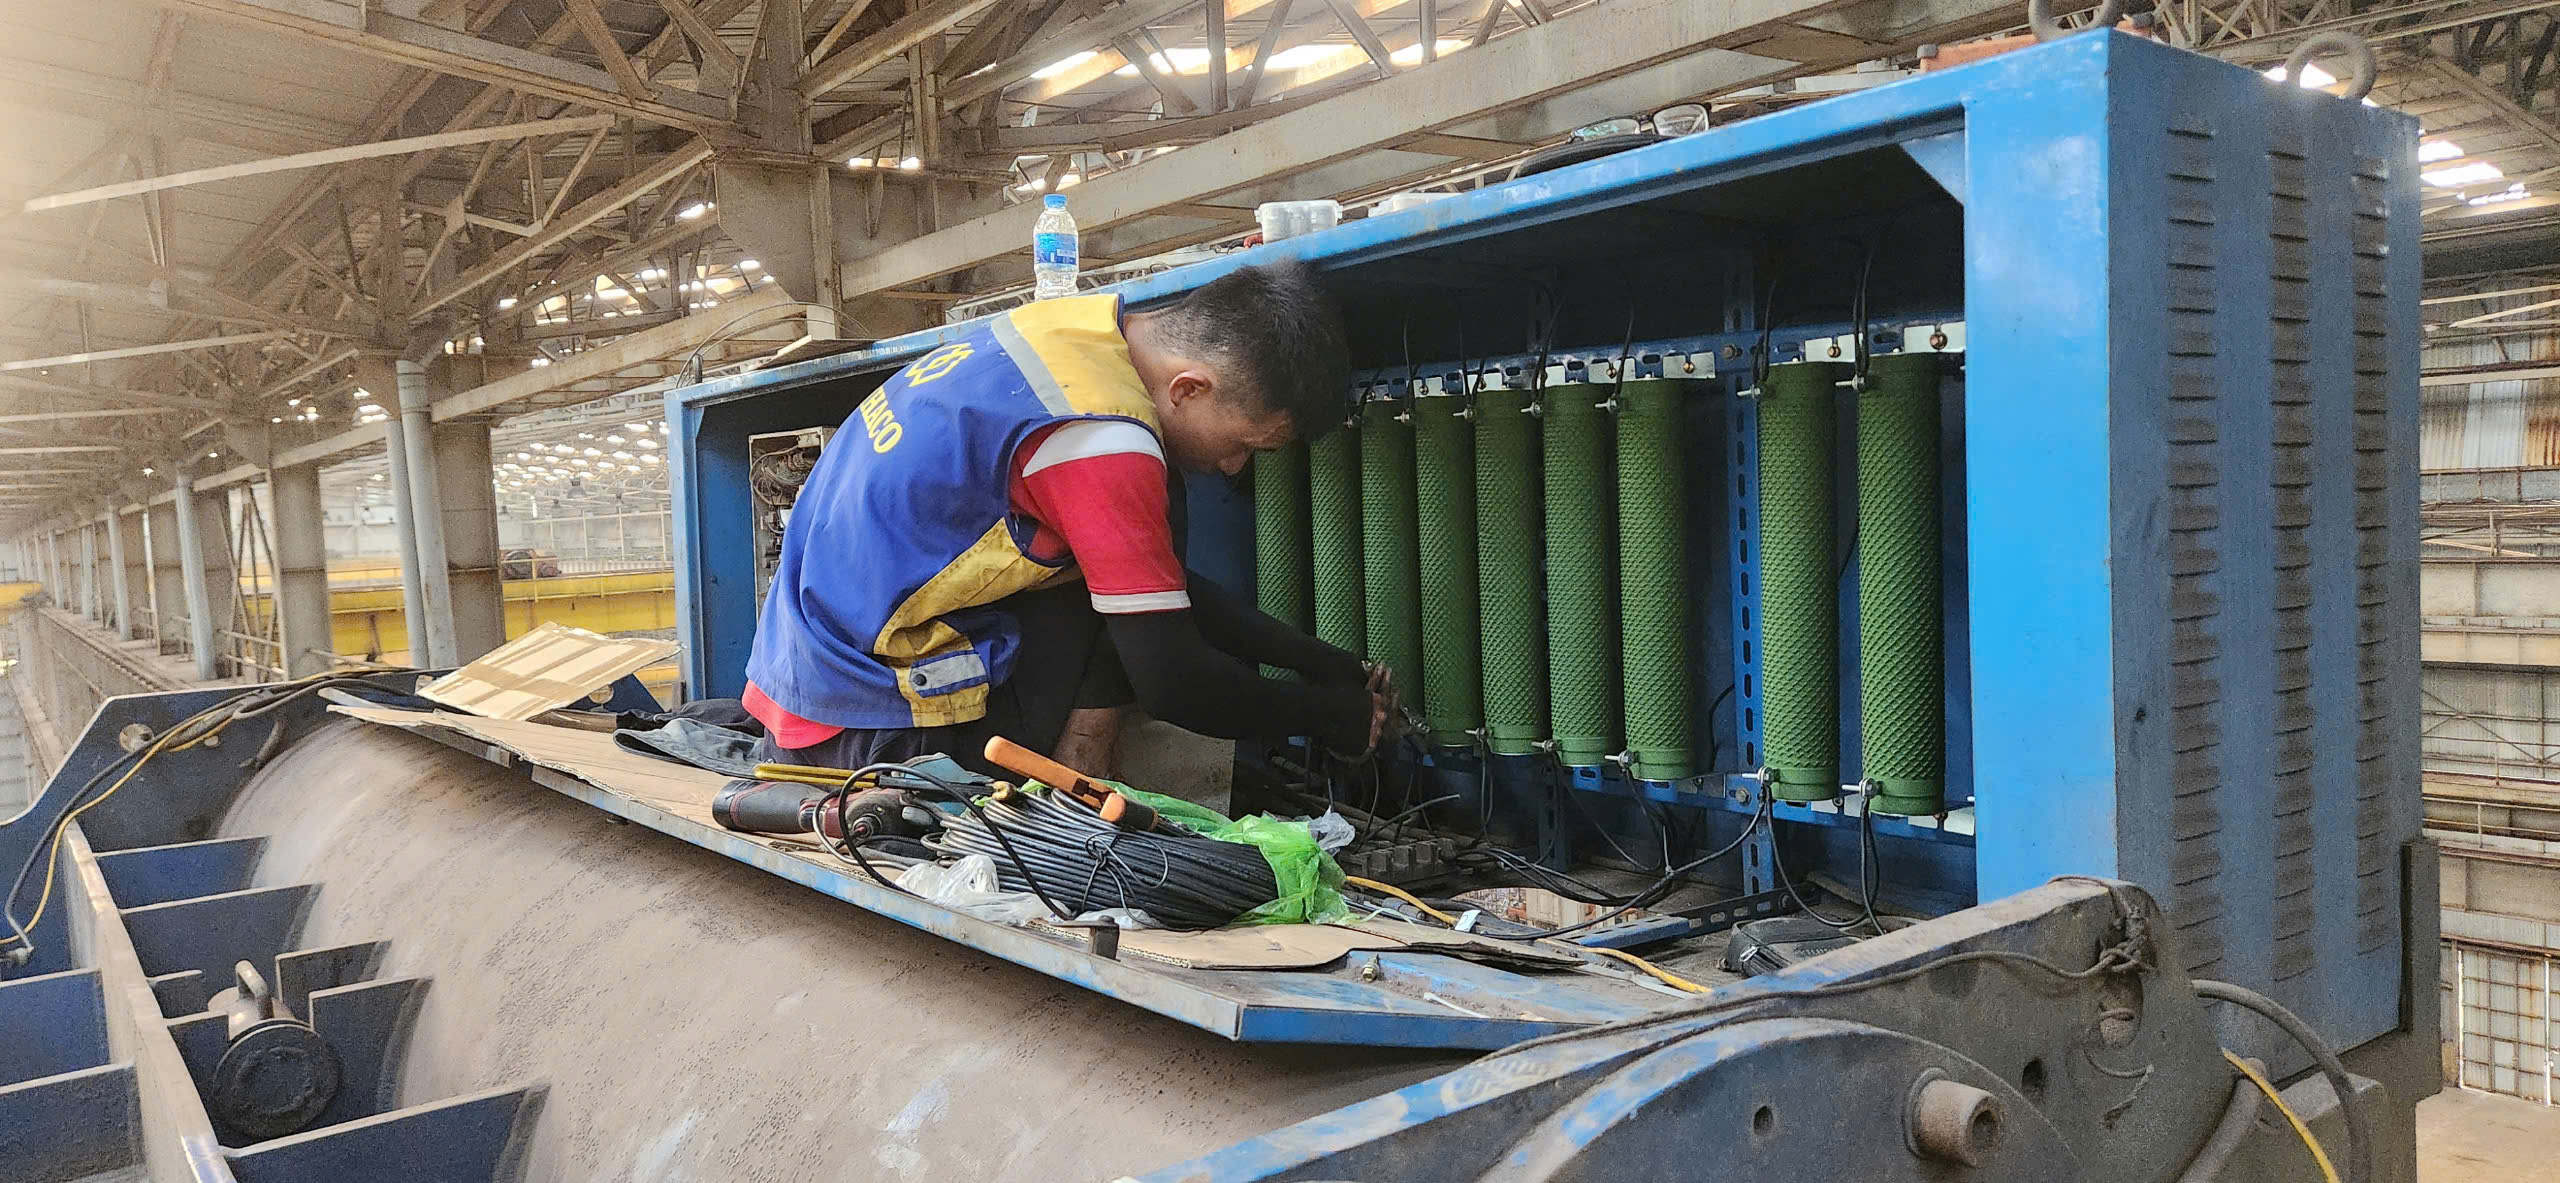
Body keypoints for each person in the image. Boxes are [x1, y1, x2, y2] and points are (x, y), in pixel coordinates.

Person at [742, 261, 1389, 779]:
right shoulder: (1107, 439)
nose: (1231, 467)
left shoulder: (1075, 334)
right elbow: (1175, 684)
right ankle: (1071, 790)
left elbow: (1158, 590)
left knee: (1113, 588)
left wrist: (1327, 664)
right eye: (1243, 444)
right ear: (1189, 388)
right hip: (862, 724)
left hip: (803, 677)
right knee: (1131, 585)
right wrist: (1334, 717)